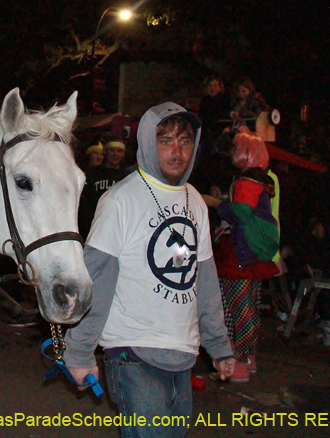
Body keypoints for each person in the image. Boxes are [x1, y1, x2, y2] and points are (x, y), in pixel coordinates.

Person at [64, 102, 235, 437]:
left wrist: (218, 344)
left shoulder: (196, 202)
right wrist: (80, 351)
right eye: (166, 141)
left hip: (183, 353)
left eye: (185, 141)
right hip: (132, 352)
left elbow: (205, 280)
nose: (177, 151)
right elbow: (96, 279)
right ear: (146, 142)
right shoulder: (120, 200)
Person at [203, 127, 280, 382]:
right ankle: (247, 358)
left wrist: (214, 202)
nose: (232, 151)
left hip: (239, 252)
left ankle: (240, 361)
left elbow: (239, 213)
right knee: (249, 306)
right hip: (250, 253)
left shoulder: (247, 181)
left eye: (236, 147)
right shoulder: (259, 180)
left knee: (238, 308)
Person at [77, 139, 130, 237]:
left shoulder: (128, 177)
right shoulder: (91, 174)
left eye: (119, 151)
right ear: (105, 152)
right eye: (112, 150)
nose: (115, 154)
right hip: (93, 229)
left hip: (118, 230)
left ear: (124, 154)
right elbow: (84, 207)